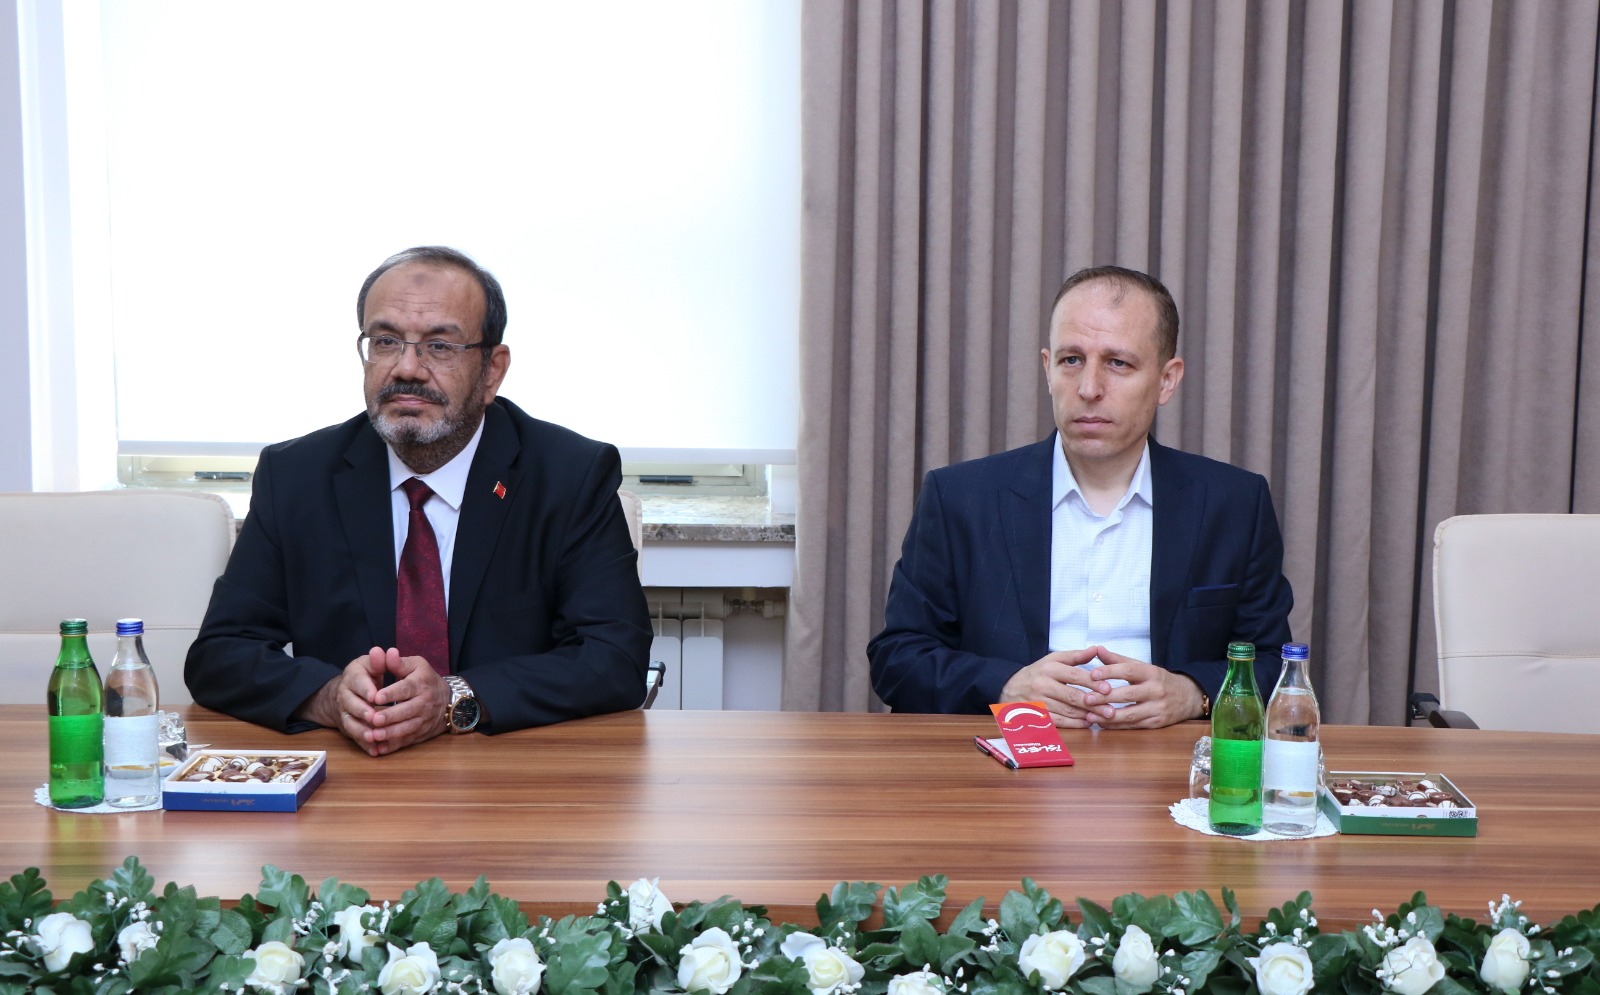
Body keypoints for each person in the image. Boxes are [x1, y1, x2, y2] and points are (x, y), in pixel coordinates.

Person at [186, 246, 652, 755]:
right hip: (352, 772)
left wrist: (456, 698)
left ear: (492, 371)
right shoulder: (298, 475)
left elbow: (615, 659)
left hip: (509, 772)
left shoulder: (568, 475)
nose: (406, 368)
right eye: (386, 341)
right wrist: (327, 697)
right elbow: (220, 654)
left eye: (440, 346)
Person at [867, 265, 1292, 728]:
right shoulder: (959, 499)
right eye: (1071, 360)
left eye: (1118, 363)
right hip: (1008, 759)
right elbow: (897, 659)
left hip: (1167, 760)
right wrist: (1006, 687)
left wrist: (1194, 693)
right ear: (1047, 369)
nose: (1089, 388)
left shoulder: (1234, 504)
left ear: (1167, 380)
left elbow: (1276, 664)